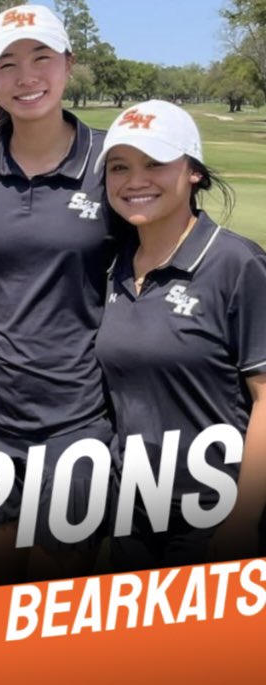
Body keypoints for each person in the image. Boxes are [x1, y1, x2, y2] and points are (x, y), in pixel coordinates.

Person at [0, 4, 116, 584]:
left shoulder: (112, 162)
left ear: (68, 64)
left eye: (41, 58)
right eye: (7, 63)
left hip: (82, 416)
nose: (26, 75)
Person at [93, 100, 266, 570]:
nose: (135, 180)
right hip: (132, 510)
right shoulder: (114, 266)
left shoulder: (236, 264)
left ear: (192, 171)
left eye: (155, 163)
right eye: (119, 167)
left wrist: (243, 520)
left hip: (212, 514)